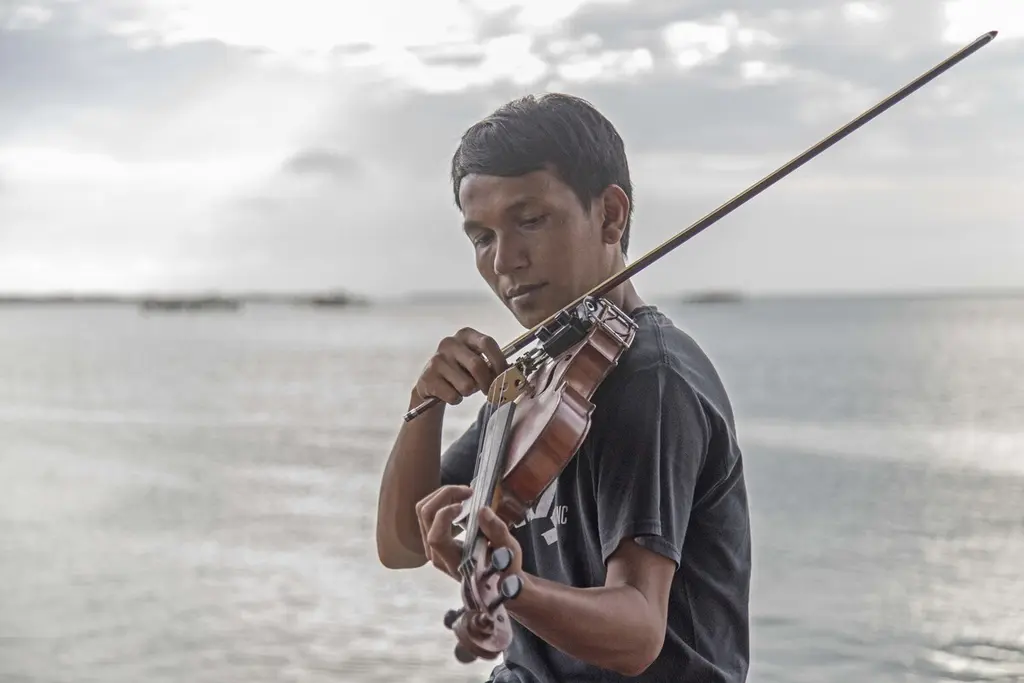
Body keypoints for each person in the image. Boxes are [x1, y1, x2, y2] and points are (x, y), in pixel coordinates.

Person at [375, 93, 751, 682]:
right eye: (482, 237)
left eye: (530, 221)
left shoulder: (652, 380)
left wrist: (509, 585)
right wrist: (424, 407)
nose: (506, 260)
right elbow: (402, 545)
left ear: (610, 216)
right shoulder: (545, 371)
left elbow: (638, 633)